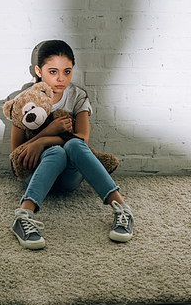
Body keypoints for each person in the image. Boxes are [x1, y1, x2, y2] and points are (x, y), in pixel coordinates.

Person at [10, 40, 134, 250]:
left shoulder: (77, 96)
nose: (61, 78)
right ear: (39, 71)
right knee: (56, 152)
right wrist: (48, 134)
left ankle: (122, 209)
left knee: (73, 147)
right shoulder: (26, 99)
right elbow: (16, 152)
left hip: (69, 178)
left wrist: (44, 140)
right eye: (53, 71)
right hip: (34, 174)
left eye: (67, 71)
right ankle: (23, 216)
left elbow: (82, 140)